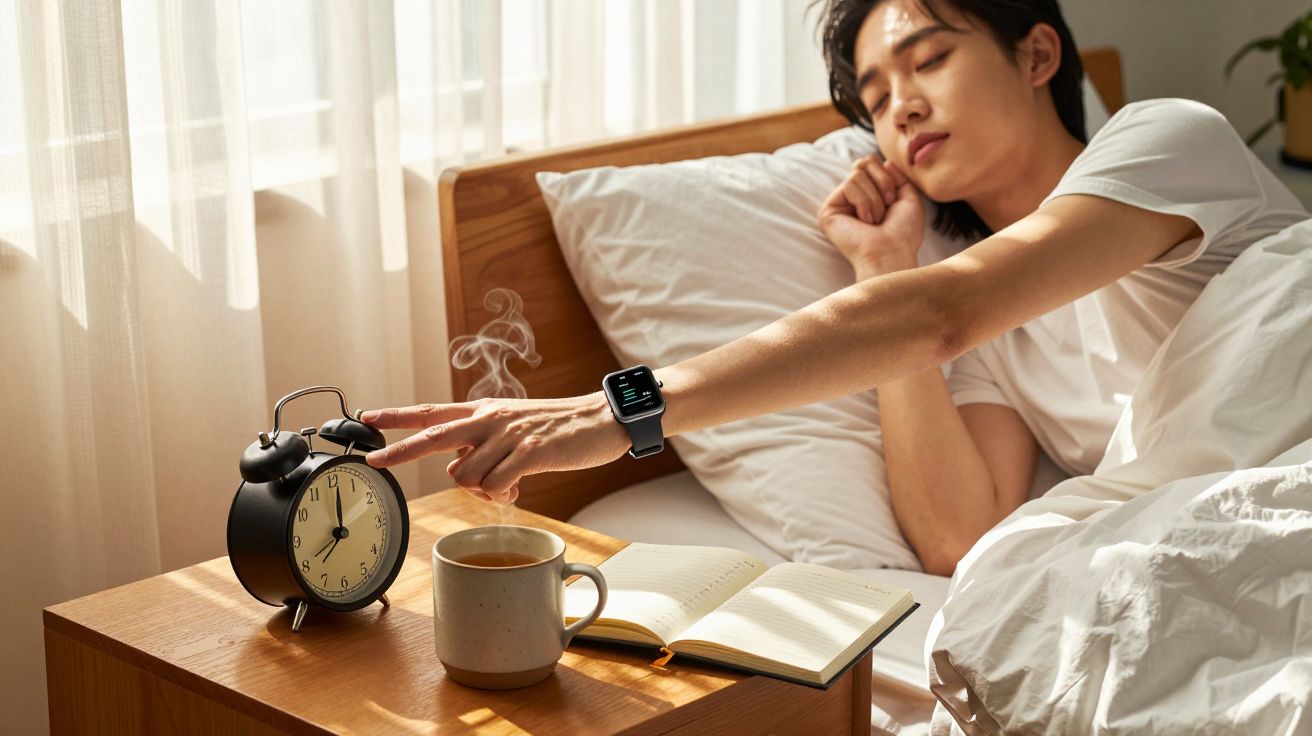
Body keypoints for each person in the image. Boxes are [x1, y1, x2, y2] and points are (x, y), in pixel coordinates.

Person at [362, 0, 1307, 575]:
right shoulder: (970, 313)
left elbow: (941, 316)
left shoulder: (1166, 139)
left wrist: (623, 413)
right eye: (875, 96)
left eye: (928, 58)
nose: (901, 106)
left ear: (1036, 57)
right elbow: (957, 541)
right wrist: (883, 266)